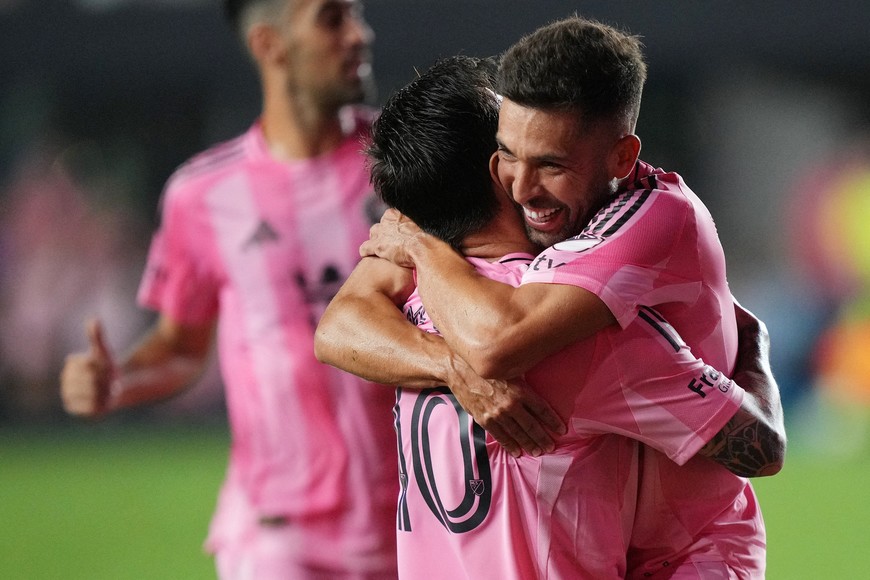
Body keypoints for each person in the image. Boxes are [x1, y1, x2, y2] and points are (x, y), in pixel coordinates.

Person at [336, 16, 787, 578]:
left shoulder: (427, 282)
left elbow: (480, 343)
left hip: (692, 555)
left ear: (622, 158)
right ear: (489, 165)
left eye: (550, 164)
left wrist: (425, 251)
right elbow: (338, 329)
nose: (524, 187)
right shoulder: (600, 343)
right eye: (509, 155)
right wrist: (454, 368)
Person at [59, 1, 398, 578]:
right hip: (275, 538)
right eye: (332, 18)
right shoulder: (203, 194)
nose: (359, 35)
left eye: (357, 15)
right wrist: (115, 383)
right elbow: (183, 347)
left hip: (415, 522)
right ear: (270, 44)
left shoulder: (408, 165)